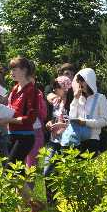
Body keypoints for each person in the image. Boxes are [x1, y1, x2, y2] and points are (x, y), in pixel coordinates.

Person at [0, 56, 42, 212]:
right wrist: (2, 108)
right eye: (11, 69)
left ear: (24, 70)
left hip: (25, 136)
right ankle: (24, 209)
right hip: (12, 134)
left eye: (15, 69)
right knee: (18, 172)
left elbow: (31, 118)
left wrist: (9, 119)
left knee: (9, 170)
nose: (12, 72)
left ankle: (32, 204)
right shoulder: (14, 89)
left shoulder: (32, 90)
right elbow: (12, 109)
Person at [65, 68, 107, 156]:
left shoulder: (100, 98)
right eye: (78, 81)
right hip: (77, 140)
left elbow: (104, 121)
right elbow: (72, 116)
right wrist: (75, 99)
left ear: (89, 81)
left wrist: (85, 122)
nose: (79, 83)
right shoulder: (79, 98)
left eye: (82, 80)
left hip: (92, 140)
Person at [43, 76, 72, 204]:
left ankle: (64, 202)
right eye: (53, 87)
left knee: (64, 173)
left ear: (66, 88)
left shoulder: (74, 103)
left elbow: (76, 123)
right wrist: (49, 123)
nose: (54, 89)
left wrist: (63, 126)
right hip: (53, 140)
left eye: (57, 87)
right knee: (47, 171)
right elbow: (52, 118)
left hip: (67, 142)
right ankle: (51, 201)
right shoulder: (56, 102)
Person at [26, 82, 48, 168]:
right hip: (23, 130)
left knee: (32, 161)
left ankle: (29, 181)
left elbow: (43, 114)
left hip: (36, 130)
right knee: (23, 161)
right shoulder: (17, 93)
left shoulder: (38, 94)